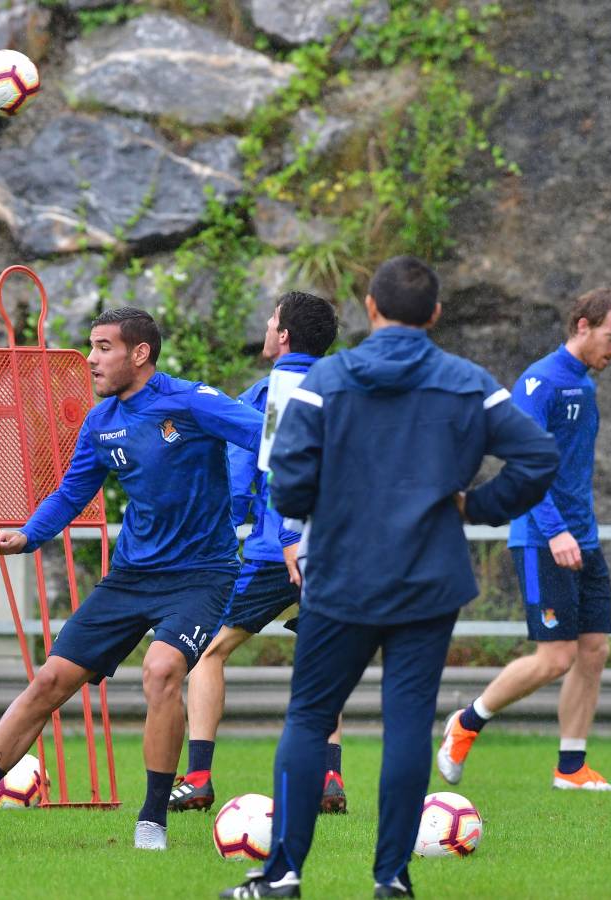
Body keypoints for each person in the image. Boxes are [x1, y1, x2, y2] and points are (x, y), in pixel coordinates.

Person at [221, 256, 558, 899]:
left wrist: (327, 505)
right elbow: (537, 455)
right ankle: (392, 879)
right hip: (428, 579)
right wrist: (478, 506)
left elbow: (286, 478)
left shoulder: (326, 381)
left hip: (341, 575)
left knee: (309, 717)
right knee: (407, 724)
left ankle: (285, 874)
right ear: (433, 314)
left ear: (372, 310)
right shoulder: (468, 381)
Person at [0, 306, 263, 851]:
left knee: (162, 669)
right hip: (130, 577)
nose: (91, 360)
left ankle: (151, 821)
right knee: (49, 681)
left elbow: (266, 435)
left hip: (201, 576)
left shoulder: (191, 401)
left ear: (139, 354)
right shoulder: (101, 422)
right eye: (92, 347)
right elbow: (73, 492)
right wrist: (26, 534)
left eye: (103, 348)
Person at [438, 287, 611, 793]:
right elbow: (523, 468)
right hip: (544, 537)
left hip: (581, 537)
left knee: (594, 649)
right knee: (555, 657)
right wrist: (557, 531)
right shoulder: (541, 381)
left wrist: (578, 532)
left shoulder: (584, 385)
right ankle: (467, 722)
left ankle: (571, 768)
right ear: (584, 326)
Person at [170, 292, 350, 816]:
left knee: (208, 651)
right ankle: (330, 778)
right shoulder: (348, 389)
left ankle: (199, 778)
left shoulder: (264, 395)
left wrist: (220, 541)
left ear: (285, 336)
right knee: (324, 661)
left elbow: (238, 484)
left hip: (275, 552)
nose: (267, 330)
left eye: (271, 322)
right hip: (336, 554)